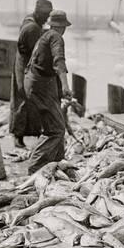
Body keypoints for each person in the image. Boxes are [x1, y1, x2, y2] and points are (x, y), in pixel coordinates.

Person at [24, 10, 73, 174]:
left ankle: (58, 163)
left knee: (54, 124)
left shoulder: (45, 36)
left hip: (35, 83)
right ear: (63, 27)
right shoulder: (56, 37)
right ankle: (35, 168)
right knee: (56, 129)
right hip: (41, 86)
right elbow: (59, 61)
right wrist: (66, 86)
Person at [9, 0, 53, 148]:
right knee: (23, 100)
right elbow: (37, 52)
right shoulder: (32, 28)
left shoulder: (29, 20)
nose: (47, 19)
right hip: (25, 67)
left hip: (22, 63)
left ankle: (31, 133)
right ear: (39, 14)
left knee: (29, 100)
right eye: (46, 16)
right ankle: (18, 137)